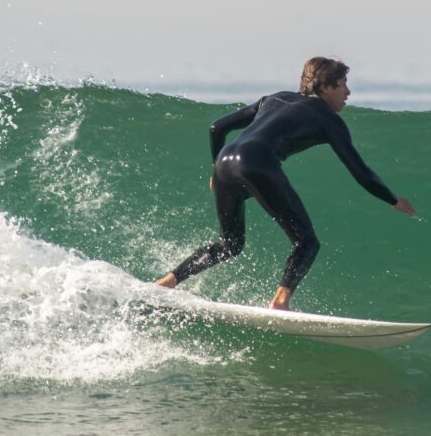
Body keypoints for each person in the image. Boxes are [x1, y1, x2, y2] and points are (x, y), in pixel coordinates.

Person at [155, 57, 415, 310]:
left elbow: (217, 128)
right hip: (258, 164)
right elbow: (361, 172)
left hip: (225, 162)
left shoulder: (274, 98)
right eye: (342, 84)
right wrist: (393, 199)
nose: (348, 92)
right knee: (307, 243)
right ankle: (280, 302)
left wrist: (215, 169)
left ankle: (167, 282)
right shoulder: (328, 119)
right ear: (325, 87)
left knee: (229, 244)